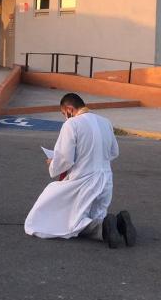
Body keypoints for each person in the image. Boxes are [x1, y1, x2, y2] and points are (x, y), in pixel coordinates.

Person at [24, 93, 136, 249]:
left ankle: (104, 228)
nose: (65, 117)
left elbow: (65, 159)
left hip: (83, 181)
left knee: (50, 216)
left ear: (69, 109)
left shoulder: (72, 124)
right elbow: (113, 152)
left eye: (64, 114)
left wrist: (52, 163)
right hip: (106, 181)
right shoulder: (105, 122)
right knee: (94, 214)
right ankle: (118, 223)